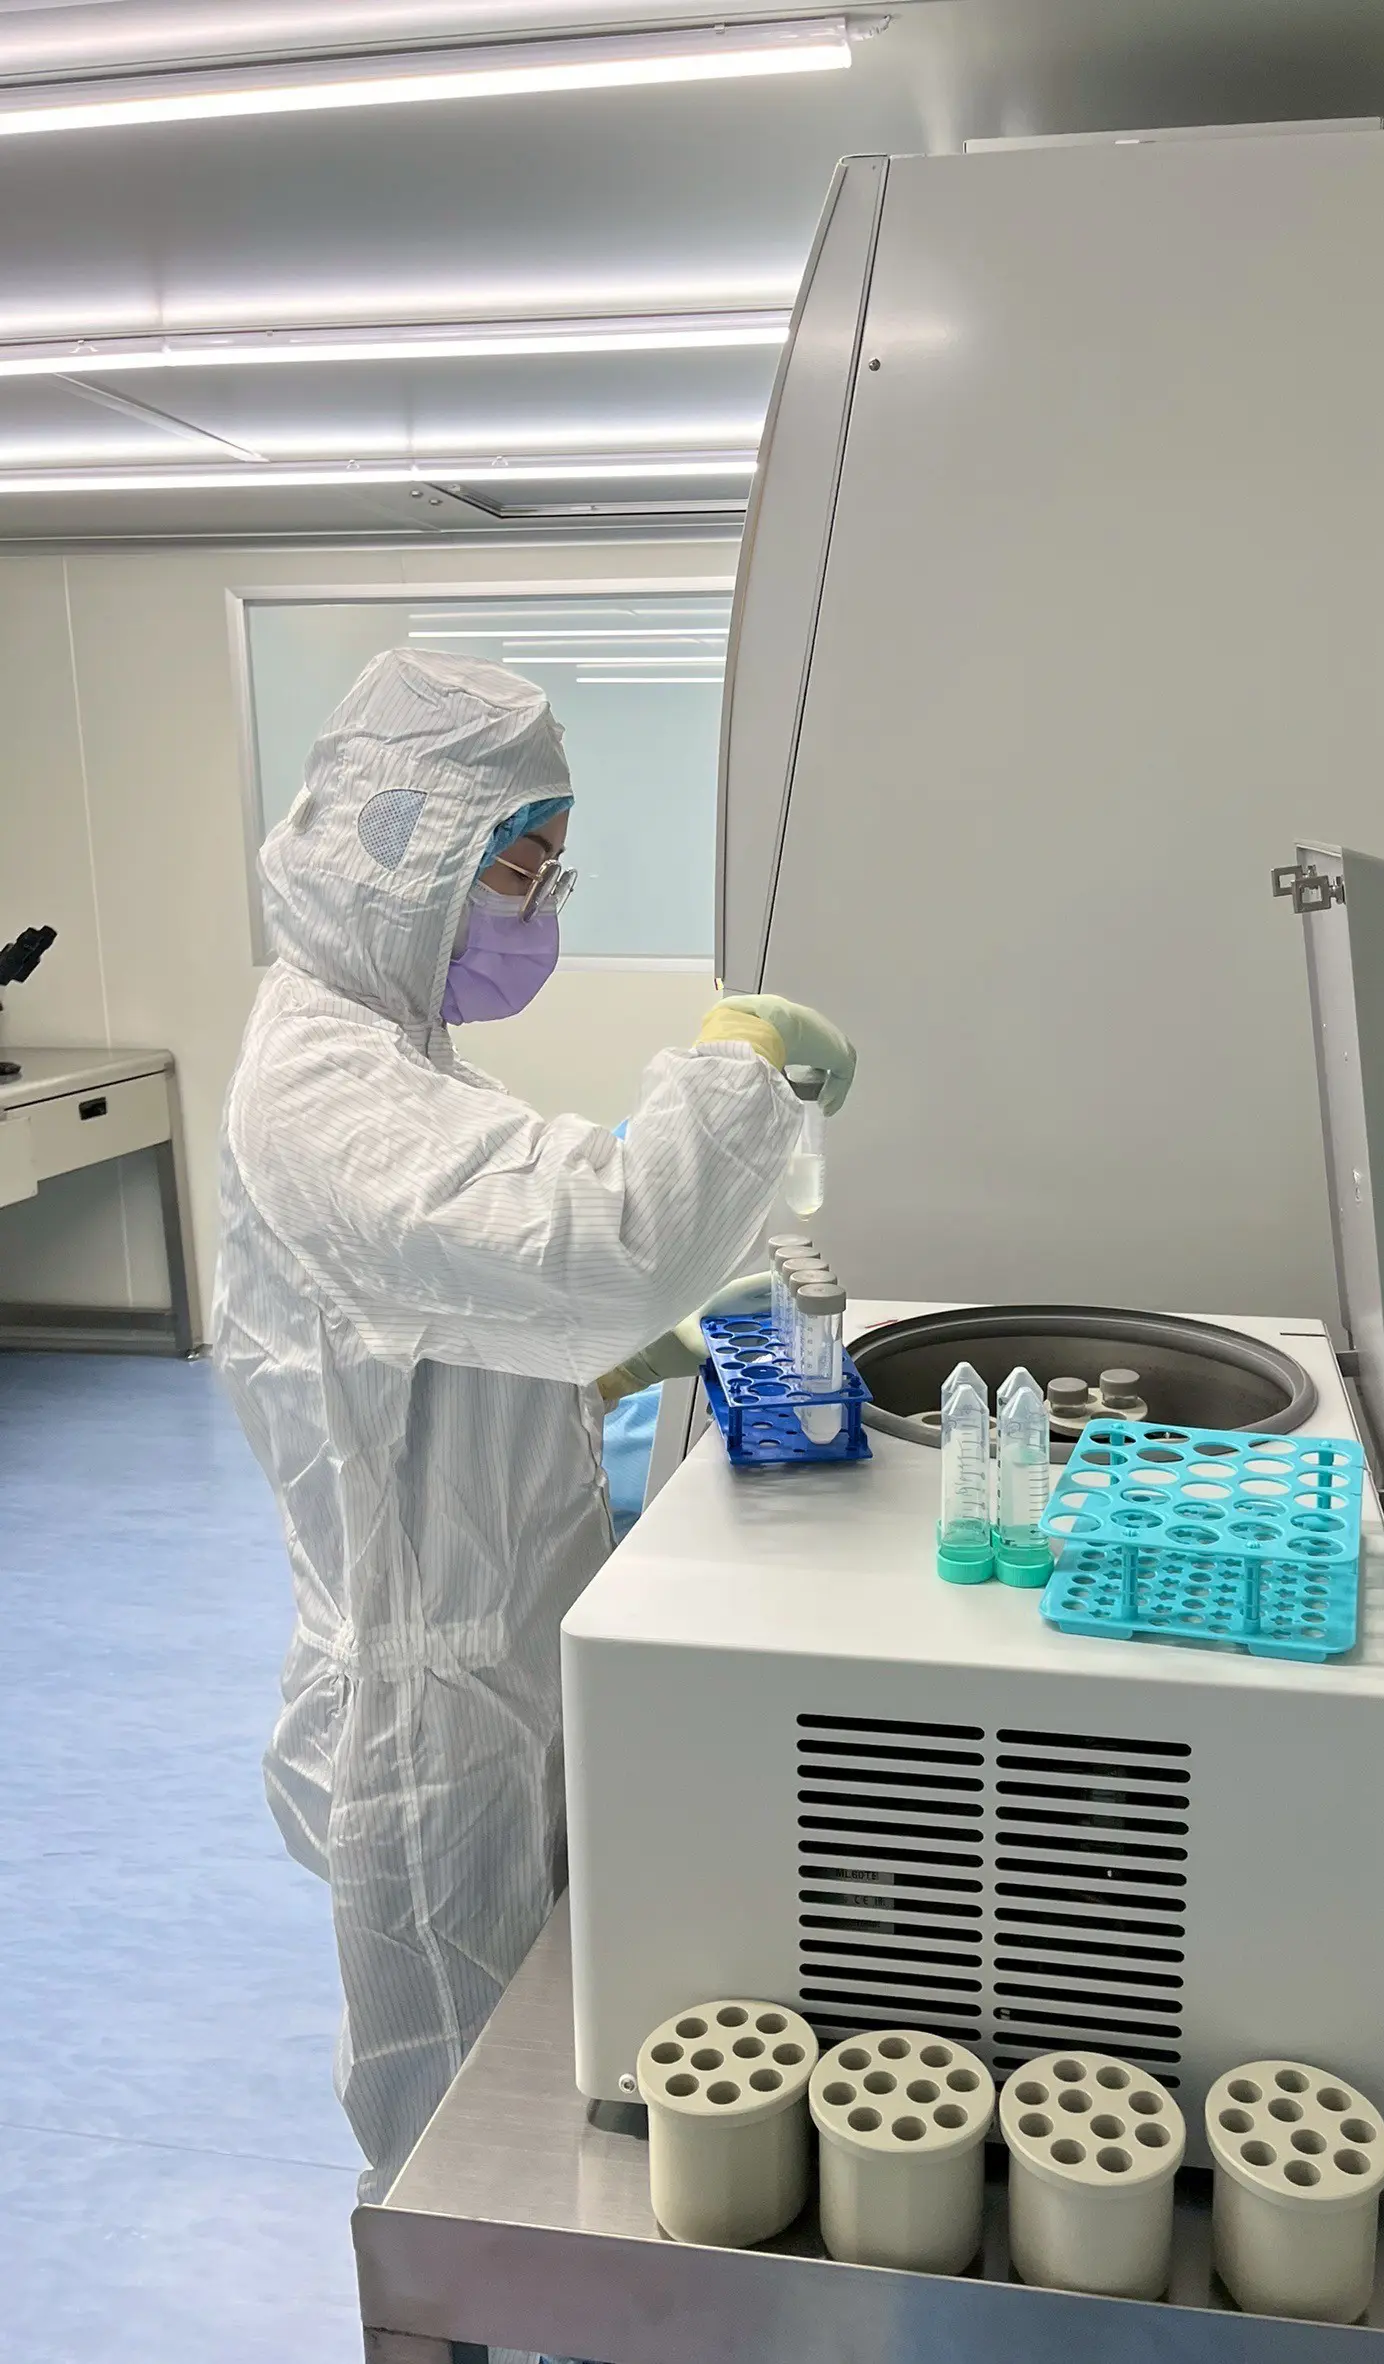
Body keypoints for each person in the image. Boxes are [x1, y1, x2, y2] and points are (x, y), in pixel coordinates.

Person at [212, 647, 853, 2201]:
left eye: (555, 873)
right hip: (433, 1705)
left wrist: (597, 1364)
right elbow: (603, 1240)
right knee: (459, 2115)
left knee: (544, 2042)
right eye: (521, 871)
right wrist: (733, 1071)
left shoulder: (395, 1054)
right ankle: (453, 2298)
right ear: (401, 849)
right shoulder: (319, 1089)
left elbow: (443, 1299)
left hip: (496, 1643)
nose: (540, 910)